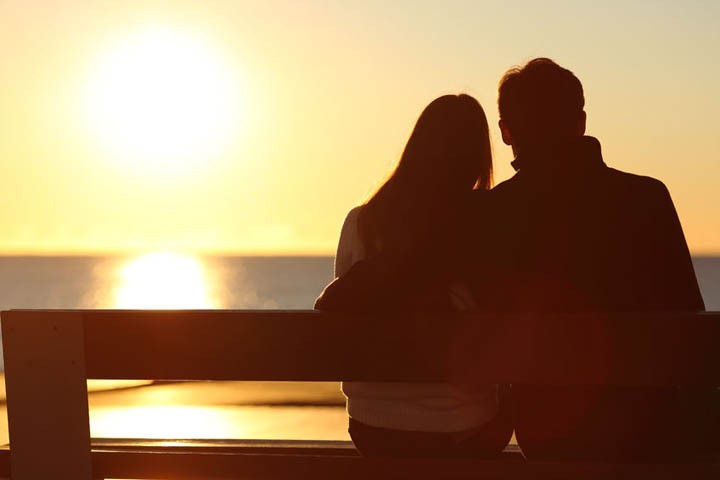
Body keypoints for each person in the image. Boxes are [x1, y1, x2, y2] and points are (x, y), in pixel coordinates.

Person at [472, 58, 713, 461]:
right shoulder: (647, 198)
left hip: (547, 434)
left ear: (506, 132)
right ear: (581, 122)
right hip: (651, 425)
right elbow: (690, 323)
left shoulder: (494, 212)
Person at [318, 94, 513, 458]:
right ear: (476, 155)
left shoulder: (363, 221)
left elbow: (345, 316)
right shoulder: (486, 221)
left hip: (373, 426)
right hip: (465, 428)